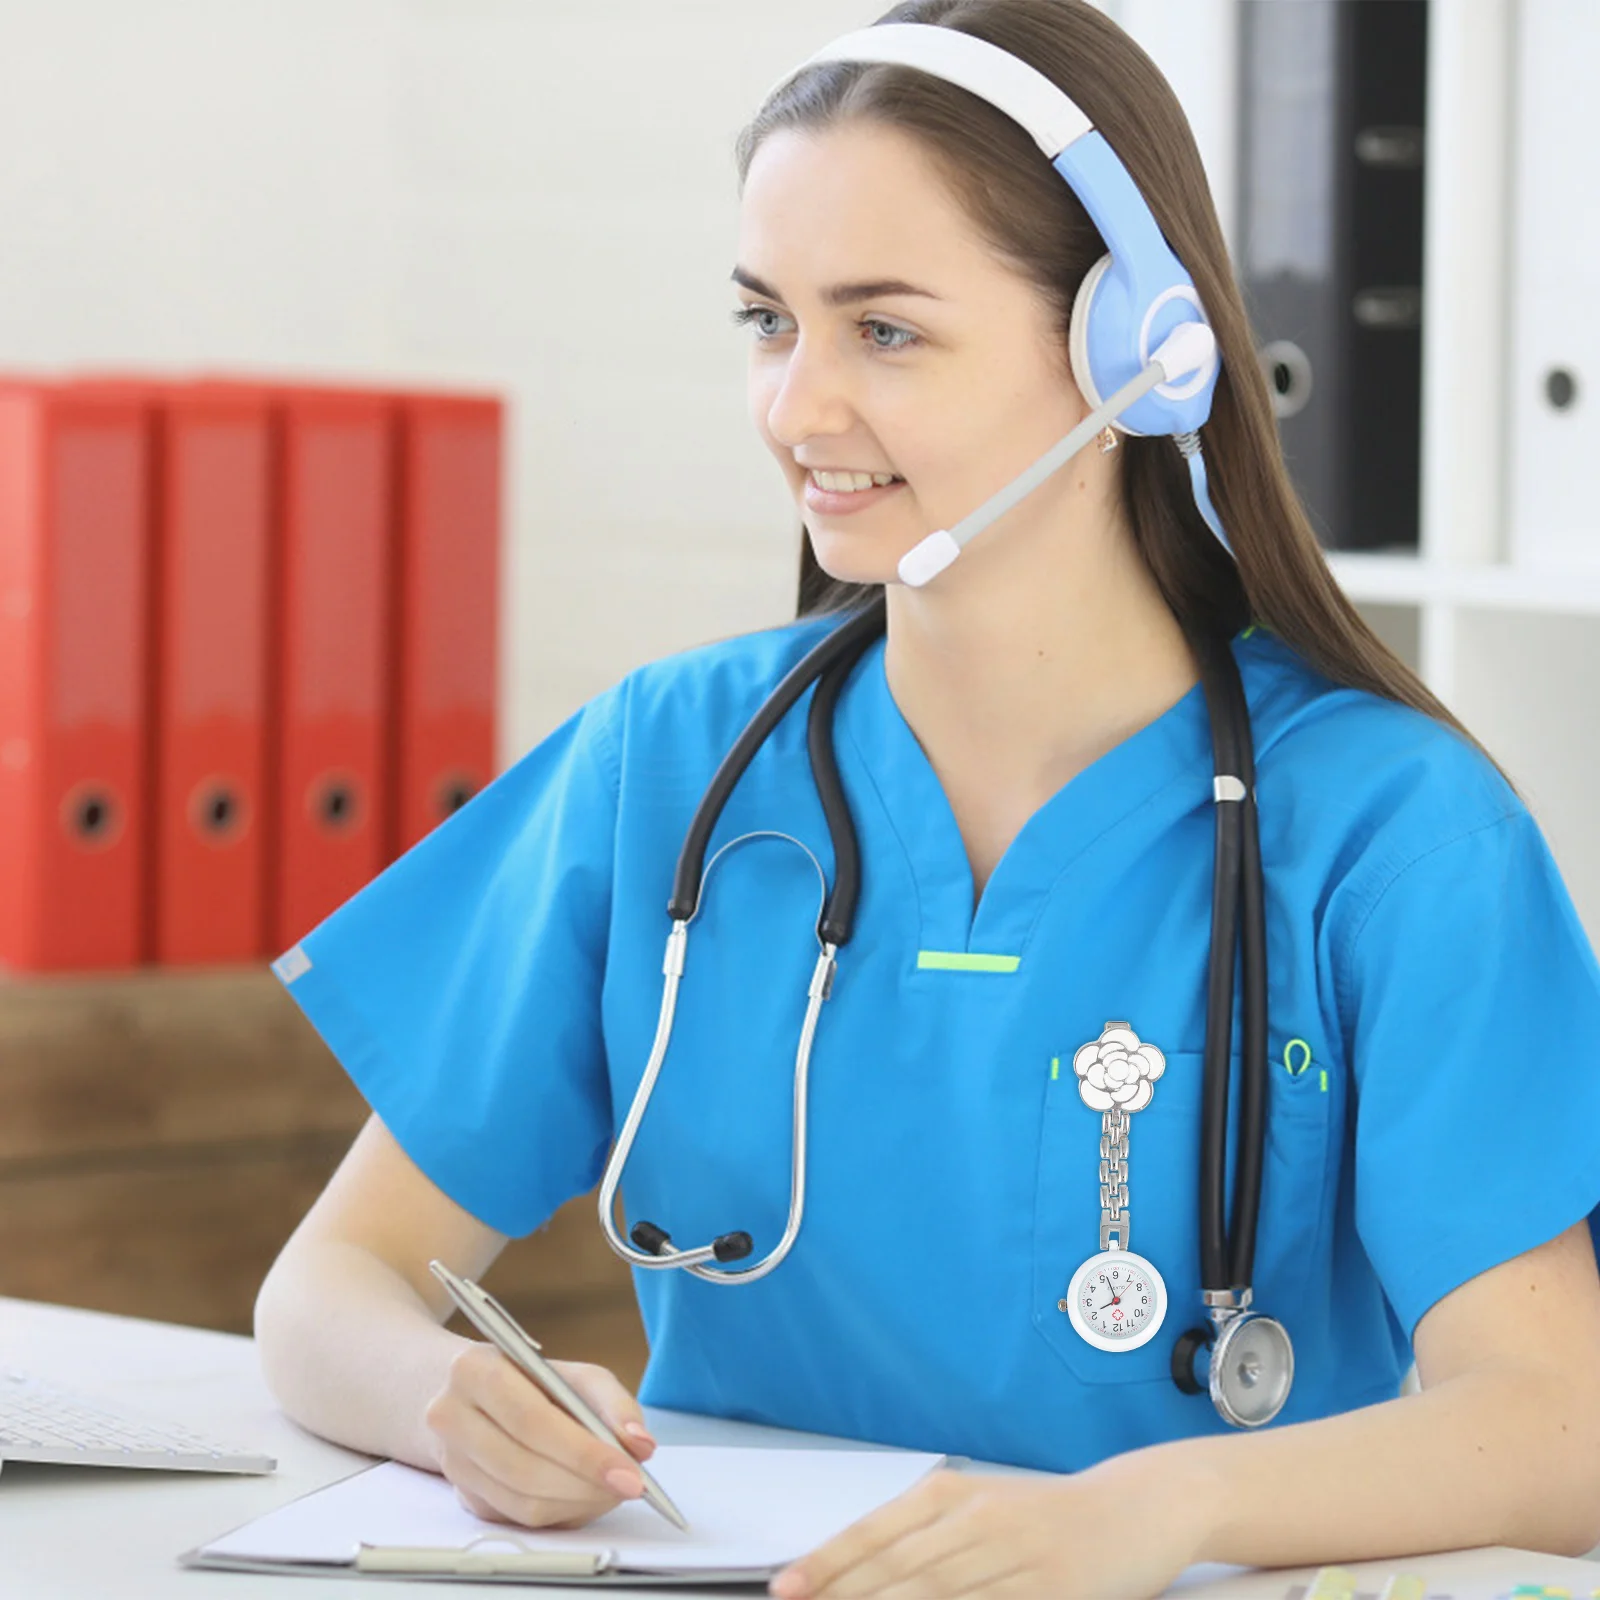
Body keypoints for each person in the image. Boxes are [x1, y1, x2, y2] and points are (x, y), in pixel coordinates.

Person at [253, 2, 1600, 1595]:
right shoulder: (667, 765)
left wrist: (1153, 1511)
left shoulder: (1391, 831)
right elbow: (328, 1286)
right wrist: (447, 1400)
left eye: (884, 331)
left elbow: (1559, 1430)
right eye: (770, 320)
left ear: (1132, 350)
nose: (796, 408)